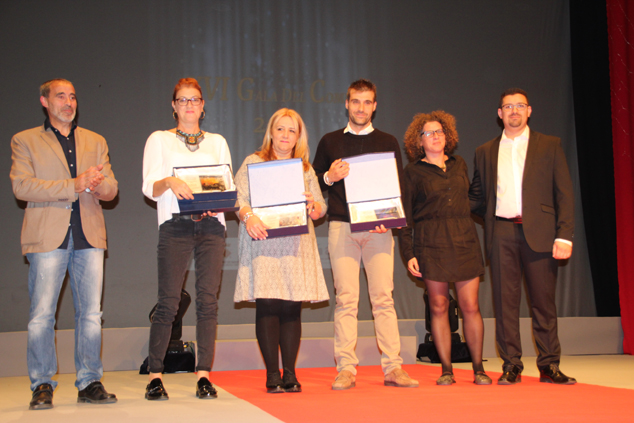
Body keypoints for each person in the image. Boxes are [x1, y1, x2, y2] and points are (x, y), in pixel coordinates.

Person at [10, 79, 119, 410]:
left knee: (91, 314)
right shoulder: (25, 140)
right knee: (42, 315)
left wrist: (97, 185)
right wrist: (74, 184)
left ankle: (89, 381)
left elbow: (112, 189)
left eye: (72, 96)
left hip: (89, 236)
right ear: (45, 101)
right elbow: (22, 186)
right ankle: (42, 383)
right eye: (61, 96)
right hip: (47, 237)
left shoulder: (95, 141)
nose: (69, 102)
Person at [313, 79, 418, 390]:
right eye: (356, 101)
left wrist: (391, 220)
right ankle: (346, 368)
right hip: (341, 227)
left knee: (383, 298)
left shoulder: (388, 141)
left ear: (375, 106)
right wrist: (329, 177)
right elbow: (312, 182)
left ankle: (393, 367)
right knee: (346, 300)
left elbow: (397, 187)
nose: (361, 108)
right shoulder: (330, 141)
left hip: (378, 229)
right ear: (347, 103)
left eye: (367, 102)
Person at [469, 88, 576, 385]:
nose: (514, 111)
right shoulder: (484, 151)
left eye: (520, 106)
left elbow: (564, 194)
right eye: (508, 106)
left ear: (529, 111)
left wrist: (564, 235)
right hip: (501, 232)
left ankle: (549, 365)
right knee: (505, 305)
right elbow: (476, 198)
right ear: (499, 113)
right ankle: (511, 365)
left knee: (543, 303)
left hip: (541, 232)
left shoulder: (550, 145)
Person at [142, 78, 232, 400]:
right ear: (174, 105)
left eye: (195, 99)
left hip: (211, 228)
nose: (189, 105)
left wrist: (215, 203)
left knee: (208, 302)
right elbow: (149, 188)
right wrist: (170, 181)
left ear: (203, 105)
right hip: (175, 227)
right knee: (168, 302)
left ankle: (204, 376)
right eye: (183, 100)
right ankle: (155, 376)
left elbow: (226, 185)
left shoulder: (217, 142)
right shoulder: (159, 140)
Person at [234, 108, 329, 393]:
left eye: (292, 130)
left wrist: (314, 206)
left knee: (291, 306)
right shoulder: (253, 162)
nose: (285, 135)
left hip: (296, 243)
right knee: (268, 304)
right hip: (263, 239)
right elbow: (238, 198)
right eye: (280, 129)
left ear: (299, 136)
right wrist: (249, 217)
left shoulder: (305, 168)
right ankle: (272, 374)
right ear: (271, 133)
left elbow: (320, 207)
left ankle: (290, 373)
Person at [399, 111, 490, 385]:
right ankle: (447, 370)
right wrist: (408, 253)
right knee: (439, 306)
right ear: (419, 141)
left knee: (470, 306)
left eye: (439, 131)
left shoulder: (460, 164)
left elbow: (471, 200)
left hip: (464, 239)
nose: (435, 136)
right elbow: (405, 216)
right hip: (431, 242)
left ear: (447, 136)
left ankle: (478, 369)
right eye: (429, 133)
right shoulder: (412, 172)